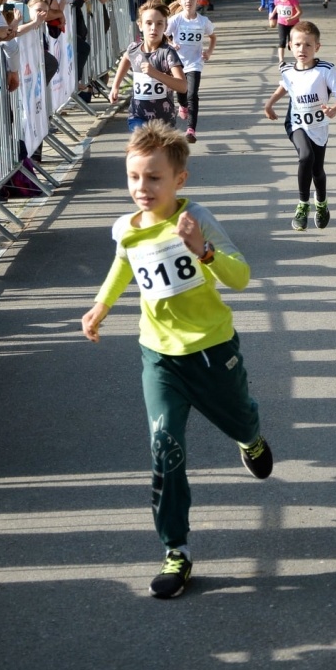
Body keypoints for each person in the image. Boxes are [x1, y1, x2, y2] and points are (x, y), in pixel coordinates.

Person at [81, 120, 273, 599]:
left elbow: (242, 277)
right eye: (133, 178)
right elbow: (124, 262)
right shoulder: (127, 228)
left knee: (239, 416)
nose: (141, 189)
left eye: (153, 178)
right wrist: (101, 305)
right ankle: (176, 551)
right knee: (164, 450)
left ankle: (249, 437)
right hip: (159, 357)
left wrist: (203, 251)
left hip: (211, 350)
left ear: (179, 180)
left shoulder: (197, 219)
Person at [263, 20, 336, 231]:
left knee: (317, 170)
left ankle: (321, 203)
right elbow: (285, 86)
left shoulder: (326, 70)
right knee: (306, 156)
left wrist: (334, 110)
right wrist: (270, 103)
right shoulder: (286, 69)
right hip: (295, 122)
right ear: (290, 46)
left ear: (317, 47)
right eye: (298, 44)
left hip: (319, 125)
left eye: (308, 45)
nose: (303, 49)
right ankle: (302, 205)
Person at [108, 0, 185, 131]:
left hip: (164, 120)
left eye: (159, 24)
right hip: (138, 115)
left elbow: (182, 86)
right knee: (143, 143)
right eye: (149, 23)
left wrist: (155, 74)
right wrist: (115, 86)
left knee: (158, 151)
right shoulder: (134, 49)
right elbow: (125, 59)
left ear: (165, 27)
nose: (153, 28)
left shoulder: (167, 53)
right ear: (140, 25)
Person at [166, 0, 216, 142]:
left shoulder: (203, 21)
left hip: (195, 63)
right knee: (182, 95)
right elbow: (164, 36)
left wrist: (208, 52)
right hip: (178, 64)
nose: (188, 1)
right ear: (180, 1)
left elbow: (213, 37)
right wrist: (171, 43)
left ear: (197, 0)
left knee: (192, 94)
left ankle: (191, 130)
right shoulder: (175, 20)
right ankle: (182, 105)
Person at [269, 0, 301, 64]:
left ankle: (297, 58)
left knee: (293, 42)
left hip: (293, 24)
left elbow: (300, 12)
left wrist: (292, 18)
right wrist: (273, 14)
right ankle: (281, 60)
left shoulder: (293, 0)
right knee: (281, 41)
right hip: (282, 23)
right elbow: (277, 7)